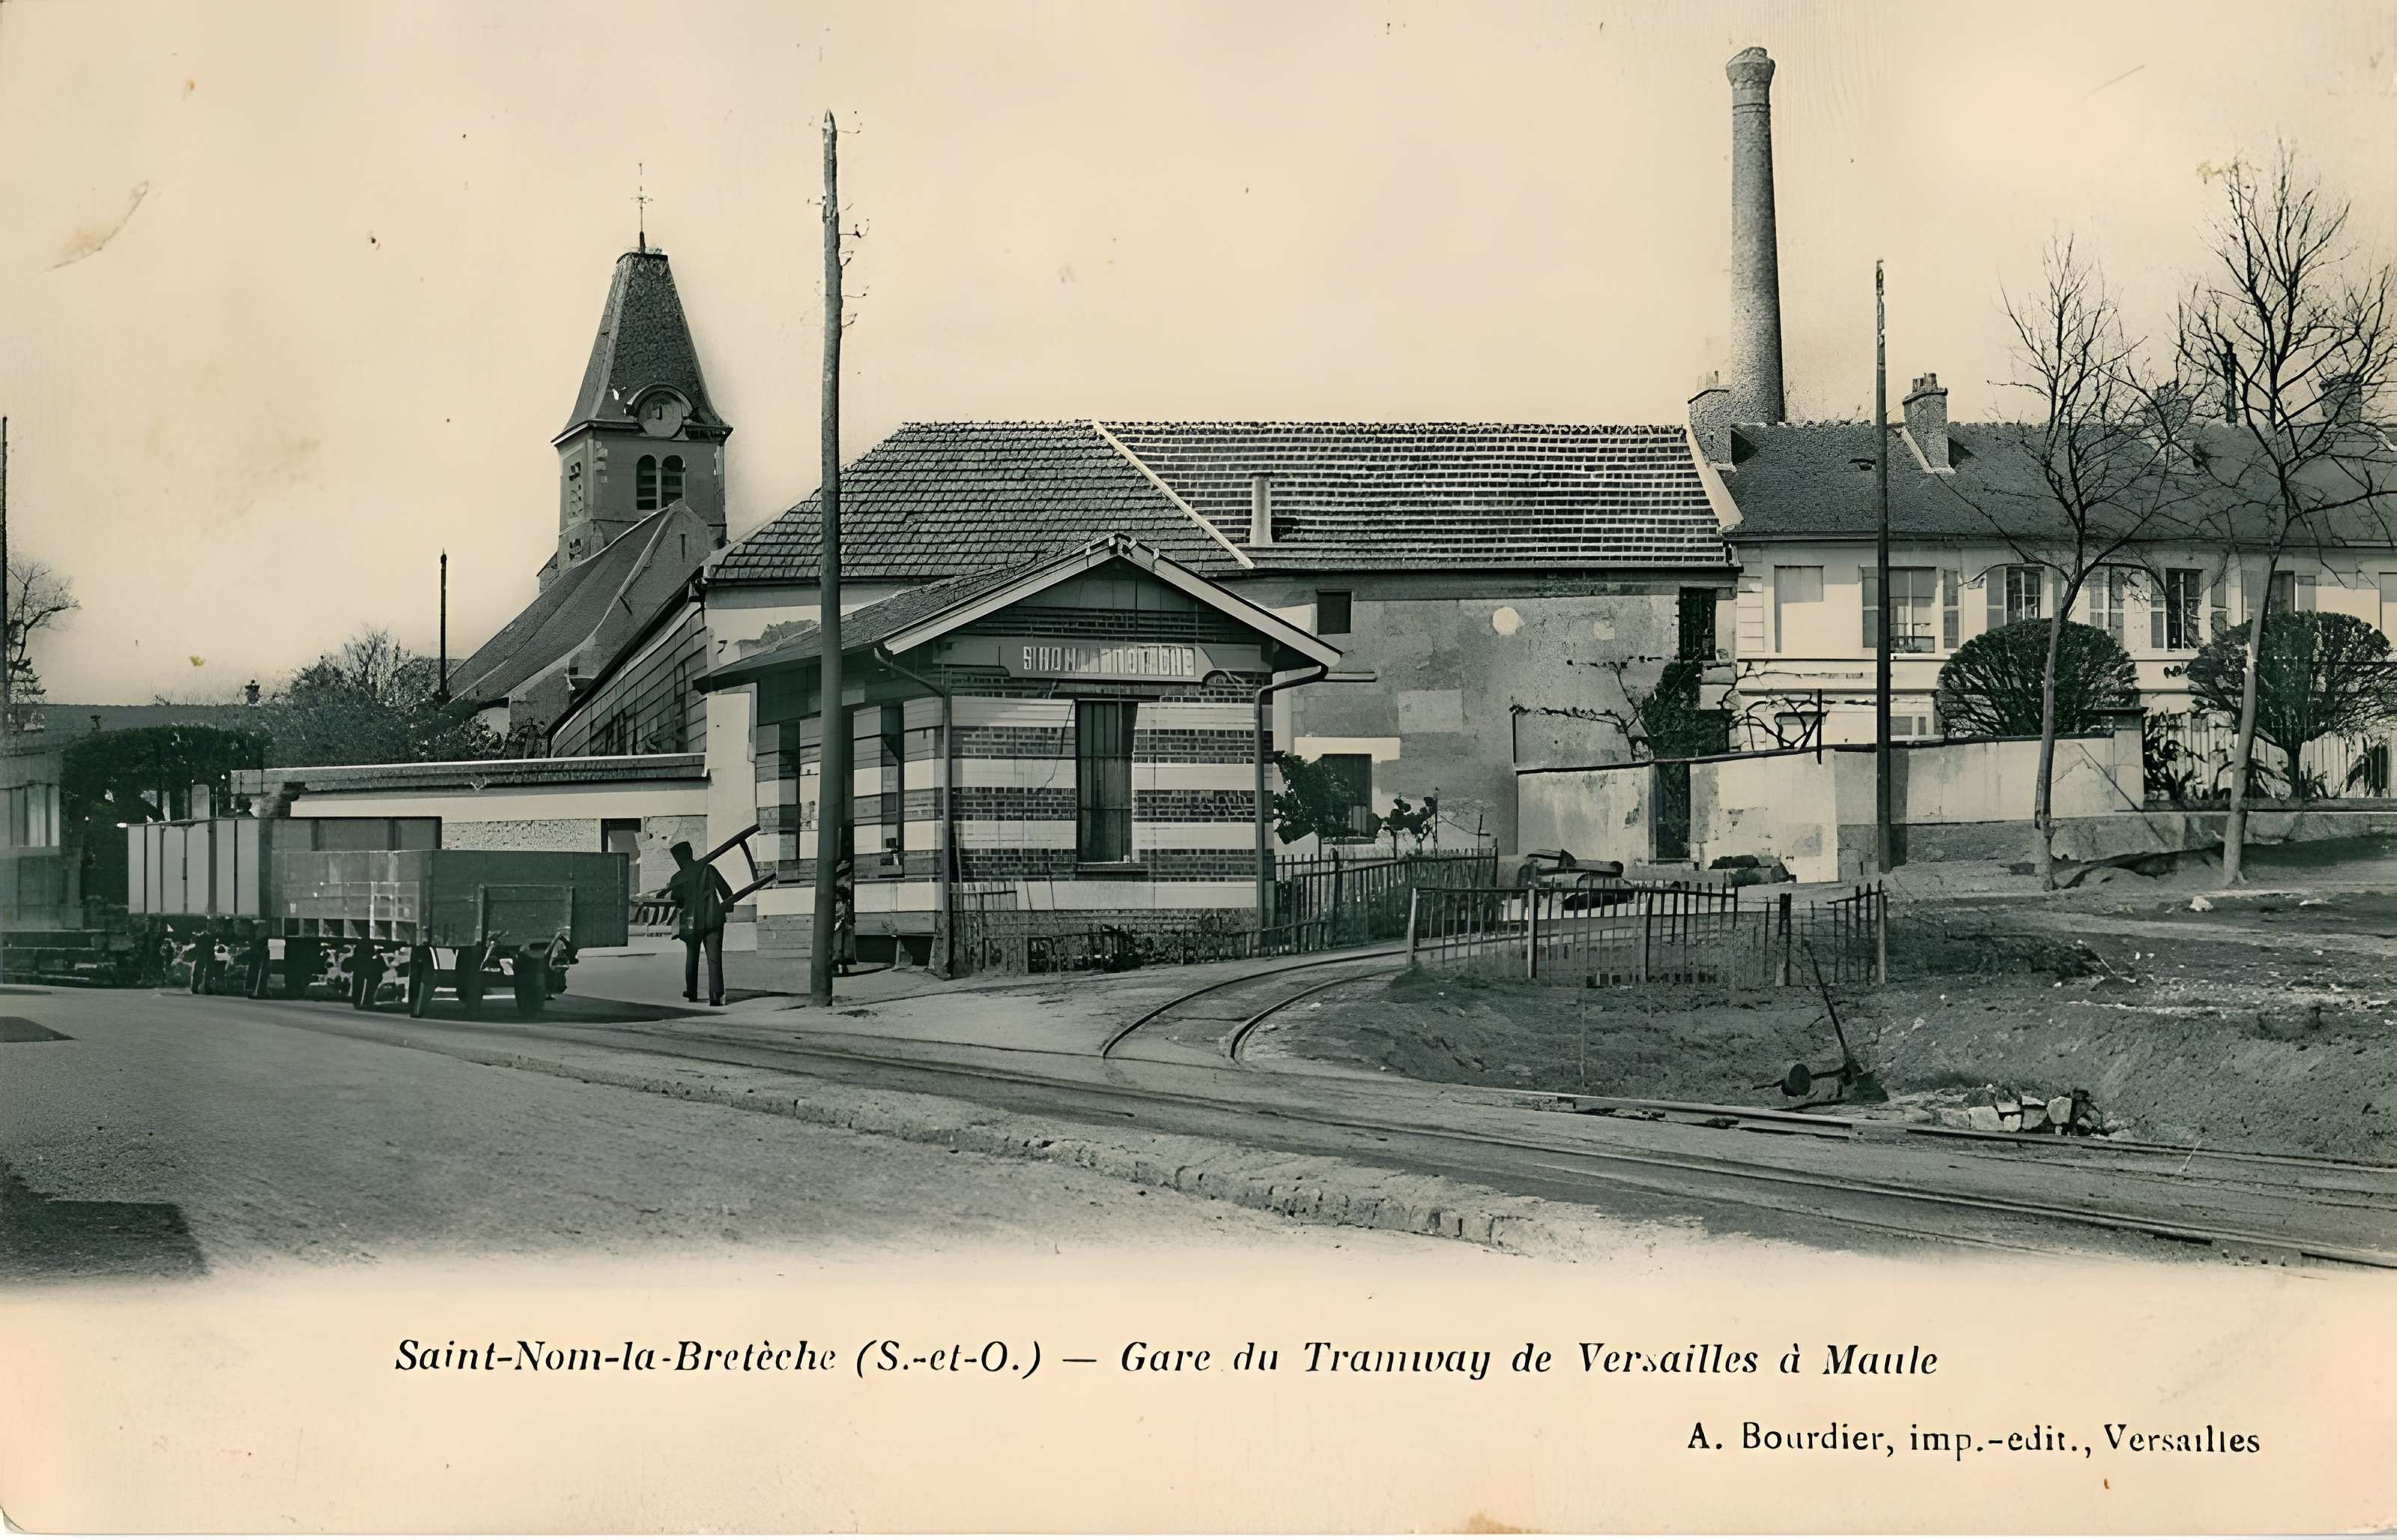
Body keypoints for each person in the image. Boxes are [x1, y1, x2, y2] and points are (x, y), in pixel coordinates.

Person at [665, 841, 735, 1006]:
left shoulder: (677, 878)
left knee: (692, 956)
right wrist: (725, 909)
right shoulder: (709, 869)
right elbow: (727, 892)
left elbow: (677, 902)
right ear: (690, 853)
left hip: (691, 922)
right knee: (714, 958)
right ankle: (716, 996)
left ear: (677, 859)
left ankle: (692, 992)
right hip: (713, 919)